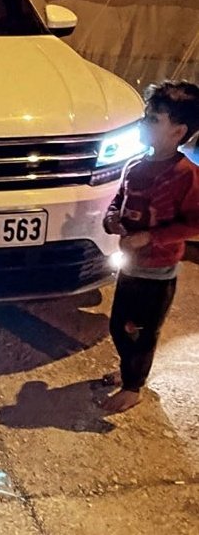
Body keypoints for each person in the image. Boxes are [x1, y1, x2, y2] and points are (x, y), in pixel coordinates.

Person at [100, 80, 199, 413]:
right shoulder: (136, 165)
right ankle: (128, 370)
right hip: (130, 266)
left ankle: (133, 387)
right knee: (119, 326)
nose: (143, 123)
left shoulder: (186, 175)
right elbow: (119, 199)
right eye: (146, 116)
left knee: (141, 332)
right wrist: (112, 218)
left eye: (153, 119)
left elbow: (195, 222)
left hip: (157, 274)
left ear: (178, 132)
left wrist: (150, 238)